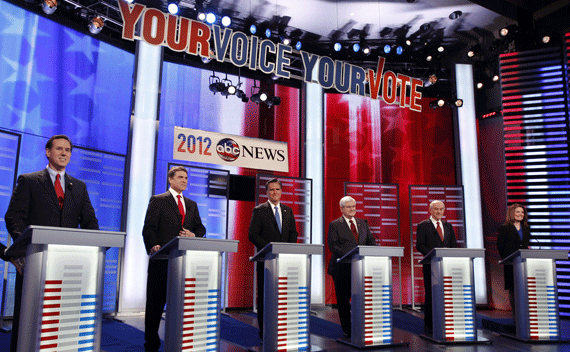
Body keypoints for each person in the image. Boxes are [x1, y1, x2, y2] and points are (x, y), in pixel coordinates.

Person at [4, 134, 99, 352]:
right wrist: (27, 247)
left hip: (68, 265)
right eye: (59, 149)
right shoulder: (29, 181)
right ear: (48, 152)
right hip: (36, 261)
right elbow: (14, 217)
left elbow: (90, 222)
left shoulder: (79, 187)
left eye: (68, 150)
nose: (64, 153)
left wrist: (95, 247)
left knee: (61, 322)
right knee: (28, 321)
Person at [142, 166, 206, 352]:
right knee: (155, 306)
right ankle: (151, 345)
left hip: (184, 264)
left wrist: (193, 235)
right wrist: (153, 246)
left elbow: (201, 229)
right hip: (162, 260)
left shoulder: (191, 204)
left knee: (182, 306)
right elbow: (149, 228)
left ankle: (180, 342)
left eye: (186, 177)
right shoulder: (158, 200)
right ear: (170, 179)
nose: (184, 180)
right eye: (180, 177)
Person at [248, 178, 298, 340]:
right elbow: (253, 234)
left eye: (277, 189)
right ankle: (265, 332)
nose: (274, 192)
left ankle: (283, 330)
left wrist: (286, 250)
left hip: (285, 262)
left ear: (281, 191)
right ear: (267, 192)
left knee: (284, 297)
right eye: (271, 190)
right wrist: (271, 249)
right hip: (267, 261)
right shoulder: (259, 210)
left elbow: (293, 233)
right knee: (265, 297)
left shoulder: (288, 210)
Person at [327, 196, 376, 337]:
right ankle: (347, 329)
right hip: (342, 267)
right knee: (343, 301)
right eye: (349, 207)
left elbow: (370, 241)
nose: (352, 209)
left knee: (361, 299)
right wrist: (351, 255)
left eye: (354, 206)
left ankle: (361, 326)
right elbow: (333, 245)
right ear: (341, 208)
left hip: (361, 268)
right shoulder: (335, 224)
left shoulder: (362, 223)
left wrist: (375, 251)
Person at [416, 200, 457, 336]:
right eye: (436, 209)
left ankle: (447, 323)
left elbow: (453, 245)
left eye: (441, 209)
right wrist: (433, 255)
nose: (439, 212)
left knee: (448, 295)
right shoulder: (423, 226)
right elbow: (420, 245)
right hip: (431, 265)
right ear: (430, 210)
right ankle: (429, 325)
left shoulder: (448, 226)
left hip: (447, 266)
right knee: (431, 295)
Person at [497, 203, 530, 321]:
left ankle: (525, 317)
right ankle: (516, 317)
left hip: (524, 264)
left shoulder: (526, 228)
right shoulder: (504, 228)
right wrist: (508, 259)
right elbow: (500, 246)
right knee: (513, 290)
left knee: (524, 289)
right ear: (512, 214)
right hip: (511, 263)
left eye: (522, 212)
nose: (521, 214)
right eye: (518, 212)